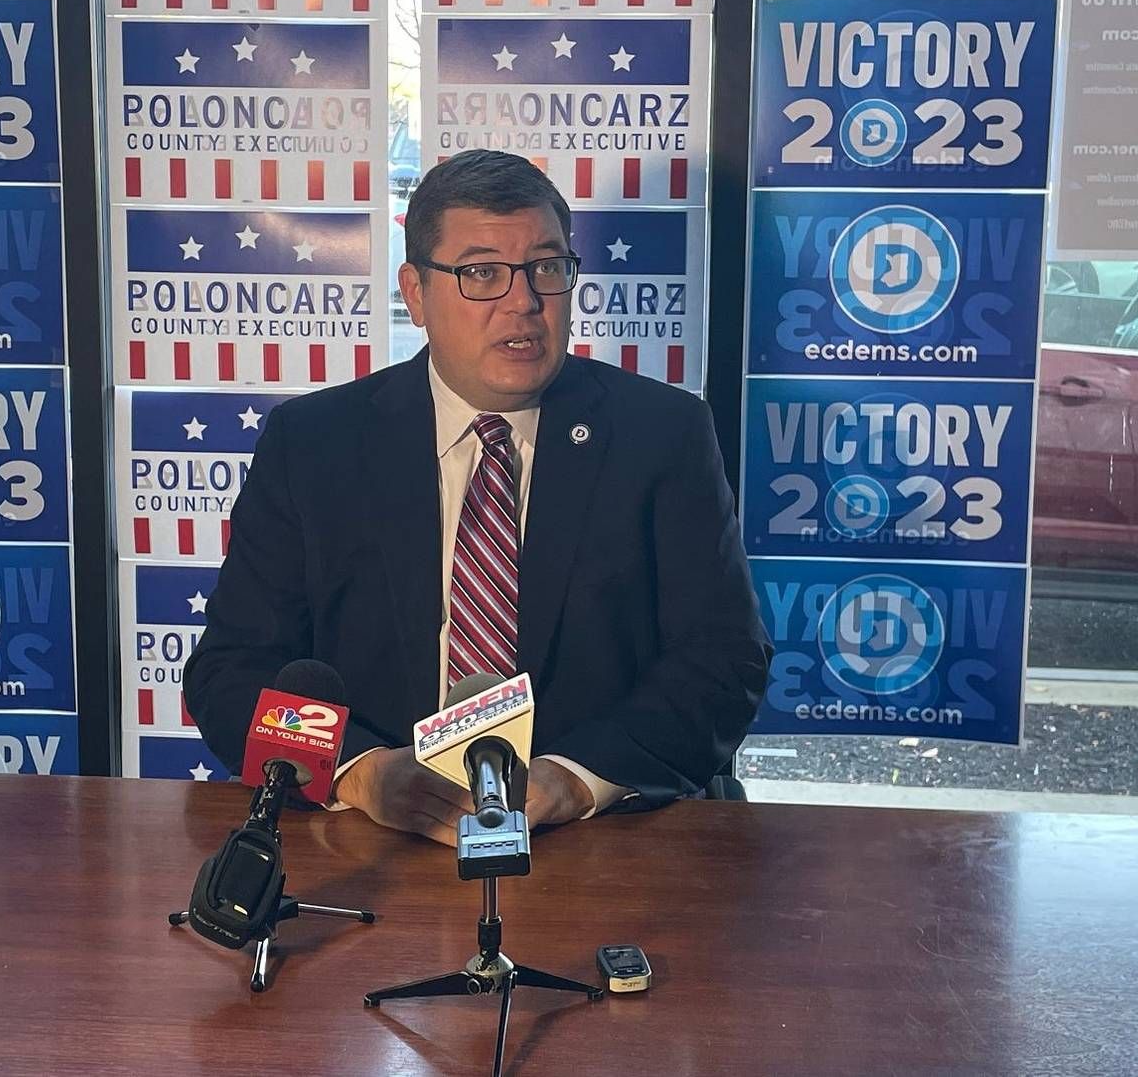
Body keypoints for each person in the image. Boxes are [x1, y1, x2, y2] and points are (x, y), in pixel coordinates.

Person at [183, 149, 770, 846]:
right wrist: (359, 772)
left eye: (546, 268)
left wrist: (573, 779)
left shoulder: (662, 435)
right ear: (415, 292)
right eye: (482, 273)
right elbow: (231, 673)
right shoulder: (313, 445)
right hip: (373, 843)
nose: (523, 302)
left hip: (595, 841)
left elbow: (724, 661)